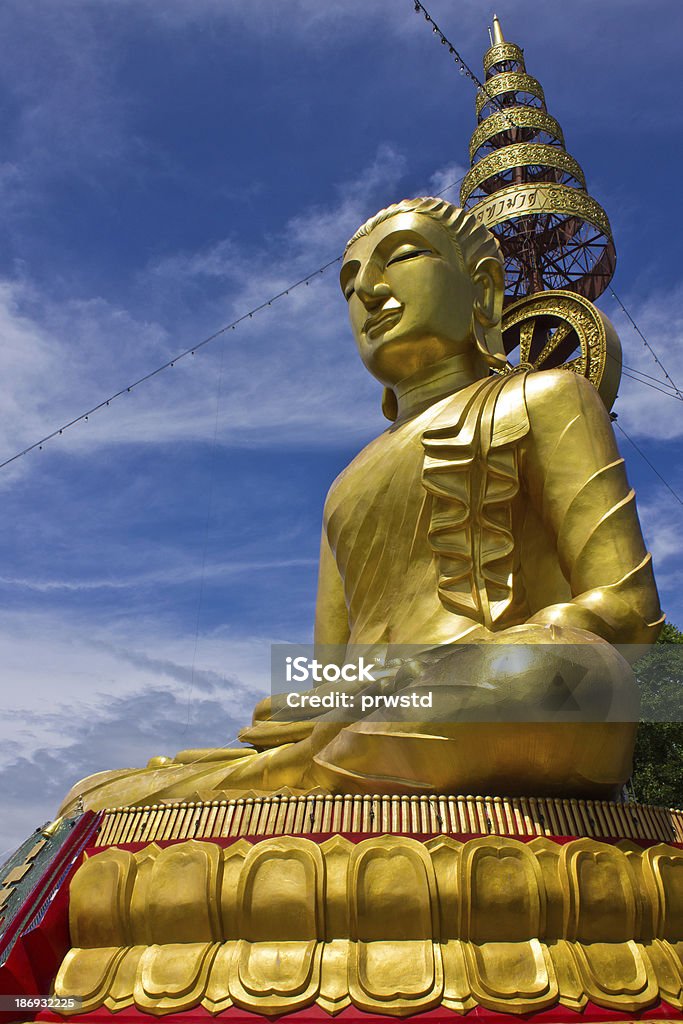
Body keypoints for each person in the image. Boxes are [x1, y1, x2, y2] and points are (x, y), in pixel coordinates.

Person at [60, 198, 662, 812]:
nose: (370, 291)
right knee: (93, 794)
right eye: (350, 285)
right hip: (370, 716)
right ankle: (298, 774)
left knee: (550, 677)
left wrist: (476, 657)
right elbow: (327, 677)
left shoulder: (548, 397)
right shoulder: (346, 483)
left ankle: (276, 788)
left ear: (482, 289)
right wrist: (332, 701)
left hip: (494, 690)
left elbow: (628, 608)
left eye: (401, 257)